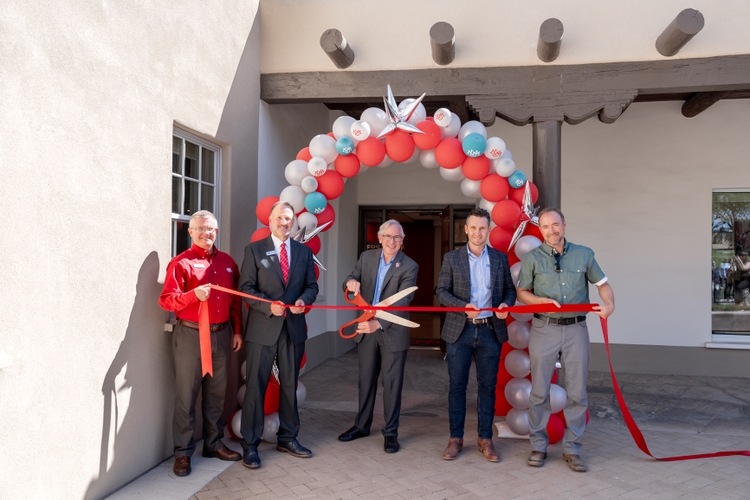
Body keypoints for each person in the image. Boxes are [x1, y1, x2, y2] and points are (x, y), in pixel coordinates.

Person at [516, 207, 614, 473]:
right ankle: (538, 446)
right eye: (545, 227)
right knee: (538, 392)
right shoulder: (533, 258)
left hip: (575, 330)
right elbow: (522, 292)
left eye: (555, 225)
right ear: (540, 230)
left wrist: (609, 304)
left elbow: (602, 284)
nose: (551, 231)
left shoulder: (584, 254)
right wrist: (541, 301)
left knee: (577, 392)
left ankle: (573, 449)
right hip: (543, 328)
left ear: (564, 225)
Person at [158, 210, 243, 477]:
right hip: (190, 336)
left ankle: (213, 444)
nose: (208, 234)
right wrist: (192, 296)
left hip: (221, 335)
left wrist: (237, 331)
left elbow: (235, 302)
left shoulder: (228, 263)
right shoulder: (181, 263)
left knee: (217, 395)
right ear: (191, 231)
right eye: (203, 229)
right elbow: (166, 300)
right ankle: (182, 454)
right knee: (186, 397)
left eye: (213, 230)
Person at [238, 201, 319, 469]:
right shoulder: (254, 250)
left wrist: (303, 300)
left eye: (289, 219)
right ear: (270, 221)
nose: (285, 223)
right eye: (280, 218)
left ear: (293, 222)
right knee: (255, 388)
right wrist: (266, 305)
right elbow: (246, 288)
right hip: (262, 328)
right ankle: (250, 444)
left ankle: (288, 437)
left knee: (289, 387)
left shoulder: (303, 253)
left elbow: (312, 286)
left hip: (292, 329)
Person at [435, 207, 516, 462]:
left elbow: (509, 292)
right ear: (466, 229)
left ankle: (485, 439)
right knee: (457, 387)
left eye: (483, 228)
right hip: (460, 330)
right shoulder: (452, 258)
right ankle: (455, 439)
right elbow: (441, 292)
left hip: (491, 330)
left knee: (487, 387)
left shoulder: (501, 259)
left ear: (488, 230)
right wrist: (462, 307)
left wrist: (505, 306)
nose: (478, 232)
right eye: (474, 227)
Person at [338, 220, 419, 453]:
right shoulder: (366, 258)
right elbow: (350, 279)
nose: (392, 241)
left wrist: (379, 323)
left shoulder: (409, 266)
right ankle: (361, 426)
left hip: (392, 332)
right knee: (365, 381)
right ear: (380, 238)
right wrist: (350, 282)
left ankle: (391, 433)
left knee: (392, 384)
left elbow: (404, 301)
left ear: (402, 241)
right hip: (365, 330)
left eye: (397, 237)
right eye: (388, 236)